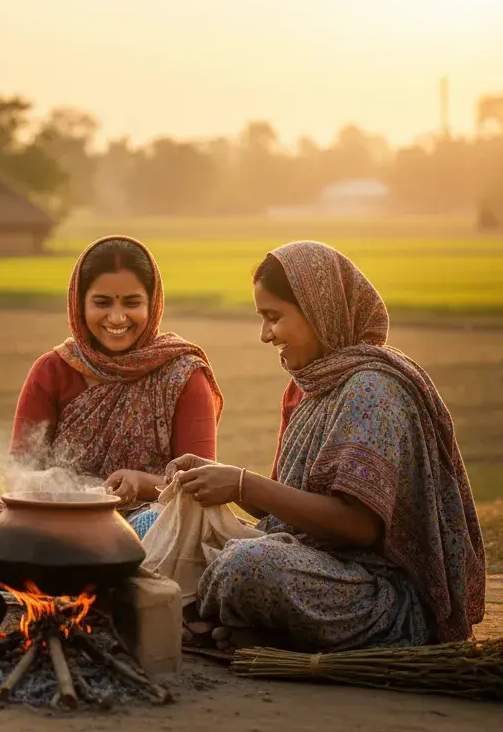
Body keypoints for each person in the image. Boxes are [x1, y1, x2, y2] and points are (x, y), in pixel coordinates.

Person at [169, 241, 486, 650]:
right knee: (178, 535)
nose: (265, 335)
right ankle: (256, 629)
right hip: (312, 560)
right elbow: (290, 507)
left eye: (273, 317)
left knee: (249, 568)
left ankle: (241, 624)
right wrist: (213, 481)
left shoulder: (373, 389)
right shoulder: (310, 386)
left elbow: (358, 526)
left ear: (319, 311)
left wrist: (242, 484)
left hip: (369, 590)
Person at [0, 237, 223, 574]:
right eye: (102, 303)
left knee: (154, 531)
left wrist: (141, 483)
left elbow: (199, 484)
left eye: (132, 303)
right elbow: (19, 473)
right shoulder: (53, 369)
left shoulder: (183, 374)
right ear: (80, 305)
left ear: (153, 304)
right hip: (52, 523)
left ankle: (55, 596)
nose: (117, 317)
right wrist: (53, 484)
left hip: (143, 525)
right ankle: (33, 598)